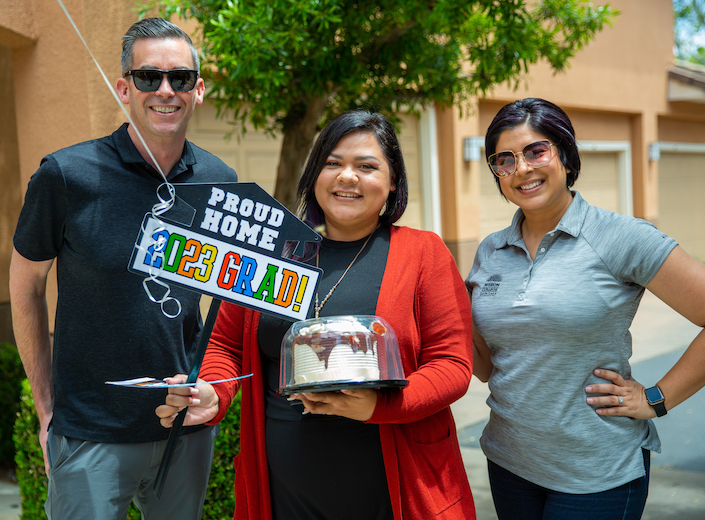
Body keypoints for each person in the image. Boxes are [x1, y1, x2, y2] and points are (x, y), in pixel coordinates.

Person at [156, 110, 477, 519]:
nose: (347, 177)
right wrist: (212, 392)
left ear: (393, 180)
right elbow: (225, 346)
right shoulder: (272, 255)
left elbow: (451, 364)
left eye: (366, 166)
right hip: (288, 494)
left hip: (395, 488)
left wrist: (379, 408)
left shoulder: (423, 253)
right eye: (333, 163)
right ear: (314, 175)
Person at [9, 17, 238, 520]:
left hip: (184, 428)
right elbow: (25, 288)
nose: (164, 90)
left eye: (179, 78)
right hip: (91, 432)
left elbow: (228, 302)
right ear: (123, 87)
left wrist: (216, 389)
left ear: (198, 90)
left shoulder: (222, 181)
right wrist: (47, 411)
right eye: (147, 76)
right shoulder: (66, 175)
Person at [466, 97, 705, 520]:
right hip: (510, 463)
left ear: (565, 153)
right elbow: (488, 367)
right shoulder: (491, 250)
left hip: (598, 473)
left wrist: (657, 398)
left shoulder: (621, 236)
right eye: (504, 159)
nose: (521, 168)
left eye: (536, 151)